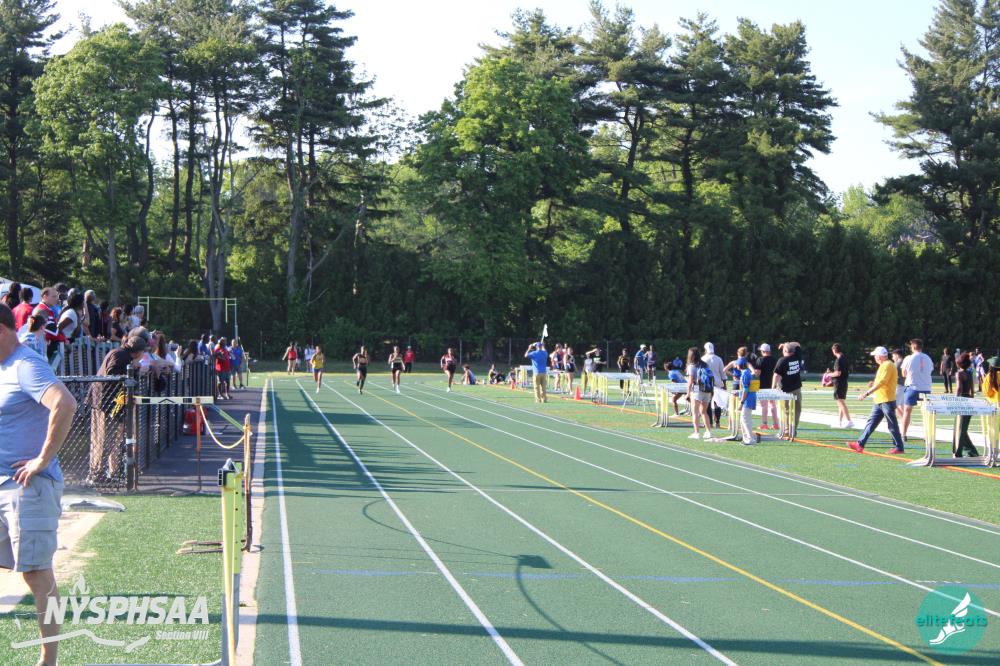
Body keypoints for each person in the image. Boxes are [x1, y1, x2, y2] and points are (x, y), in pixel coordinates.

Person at [0, 304, 77, 666]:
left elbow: (65, 403)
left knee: (36, 573)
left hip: (26, 488)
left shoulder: (25, 365)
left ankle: (49, 660)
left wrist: (41, 460)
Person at [848, 347, 905, 455]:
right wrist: (872, 385)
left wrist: (866, 393)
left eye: (875, 356)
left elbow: (882, 382)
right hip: (880, 399)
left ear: (880, 356)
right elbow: (880, 381)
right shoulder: (884, 365)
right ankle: (860, 444)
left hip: (886, 399)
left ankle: (899, 447)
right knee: (871, 423)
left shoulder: (887, 365)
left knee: (892, 425)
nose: (875, 358)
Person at [900, 338, 933, 441]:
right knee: (926, 413)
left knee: (907, 411)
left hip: (912, 387)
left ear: (913, 347)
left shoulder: (908, 358)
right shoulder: (928, 358)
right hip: (926, 388)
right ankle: (927, 435)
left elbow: (903, 373)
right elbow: (930, 371)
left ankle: (903, 434)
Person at [772, 342, 804, 440]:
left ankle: (786, 431)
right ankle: (793, 430)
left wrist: (773, 388)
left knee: (785, 410)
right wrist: (786, 344)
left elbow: (776, 375)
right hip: (797, 388)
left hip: (784, 390)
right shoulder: (797, 356)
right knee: (797, 410)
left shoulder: (782, 360)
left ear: (785, 351)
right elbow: (798, 344)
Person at [952, 352, 980, 457]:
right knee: (963, 428)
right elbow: (972, 389)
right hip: (969, 399)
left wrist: (955, 399)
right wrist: (972, 399)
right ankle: (971, 451)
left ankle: (958, 451)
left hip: (961, 399)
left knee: (960, 428)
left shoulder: (959, 374)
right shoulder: (969, 373)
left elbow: (959, 388)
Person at [685, 347, 715, 440]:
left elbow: (690, 381)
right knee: (704, 412)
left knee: (695, 413)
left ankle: (696, 433)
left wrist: (687, 393)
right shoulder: (705, 364)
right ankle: (708, 432)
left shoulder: (691, 366)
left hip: (696, 390)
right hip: (707, 390)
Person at [701, 342, 726, 429]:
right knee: (717, 403)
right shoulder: (718, 359)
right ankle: (717, 422)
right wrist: (724, 385)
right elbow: (722, 373)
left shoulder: (703, 359)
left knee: (707, 403)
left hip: (707, 384)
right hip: (718, 383)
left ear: (705, 349)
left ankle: (710, 422)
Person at [736, 357, 760, 445]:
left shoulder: (745, 374)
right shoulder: (746, 372)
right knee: (744, 419)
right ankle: (746, 438)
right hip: (749, 397)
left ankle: (750, 439)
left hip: (747, 399)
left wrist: (741, 402)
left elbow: (746, 389)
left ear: (739, 365)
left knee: (745, 419)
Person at [829, 343, 854, 428]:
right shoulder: (845, 358)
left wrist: (829, 374)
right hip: (844, 382)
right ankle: (839, 422)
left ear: (834, 350)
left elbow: (838, 373)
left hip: (839, 383)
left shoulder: (839, 360)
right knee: (840, 403)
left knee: (840, 402)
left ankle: (849, 420)